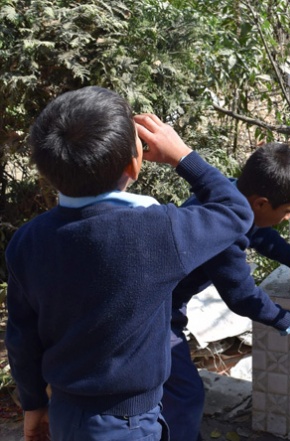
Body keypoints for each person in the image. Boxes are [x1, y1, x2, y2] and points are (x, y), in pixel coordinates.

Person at [4, 86, 254, 441]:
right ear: (134, 164)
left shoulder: (28, 241)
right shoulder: (157, 232)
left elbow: (21, 337)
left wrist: (32, 403)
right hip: (126, 424)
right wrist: (183, 156)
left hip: (66, 412)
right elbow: (235, 210)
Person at [163, 142, 290, 441]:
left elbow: (260, 235)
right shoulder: (223, 235)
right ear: (262, 203)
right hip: (156, 312)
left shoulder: (227, 192)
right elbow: (242, 296)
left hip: (164, 302)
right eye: (288, 211)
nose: (288, 219)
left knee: (170, 388)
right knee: (184, 394)